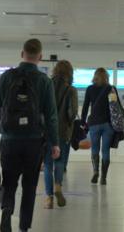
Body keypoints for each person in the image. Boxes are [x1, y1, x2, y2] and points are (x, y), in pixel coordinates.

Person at [0, 39, 60, 232]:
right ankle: (24, 226)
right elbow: (52, 116)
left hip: (9, 140)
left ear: (22, 54)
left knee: (9, 181)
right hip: (33, 141)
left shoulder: (6, 77)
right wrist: (55, 143)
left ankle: (6, 210)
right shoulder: (44, 81)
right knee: (30, 186)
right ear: (40, 57)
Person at [43, 60, 78, 209]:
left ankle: (49, 198)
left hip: (46, 132)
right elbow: (72, 113)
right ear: (70, 73)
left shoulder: (46, 85)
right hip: (63, 132)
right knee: (59, 162)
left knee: (47, 165)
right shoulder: (71, 90)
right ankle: (58, 185)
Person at [81, 68, 117, 185]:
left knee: (95, 149)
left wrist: (83, 121)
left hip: (94, 124)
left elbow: (85, 107)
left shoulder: (90, 89)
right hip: (108, 125)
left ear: (95, 76)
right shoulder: (111, 89)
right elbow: (115, 108)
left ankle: (96, 171)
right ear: (106, 76)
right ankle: (104, 178)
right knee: (105, 151)